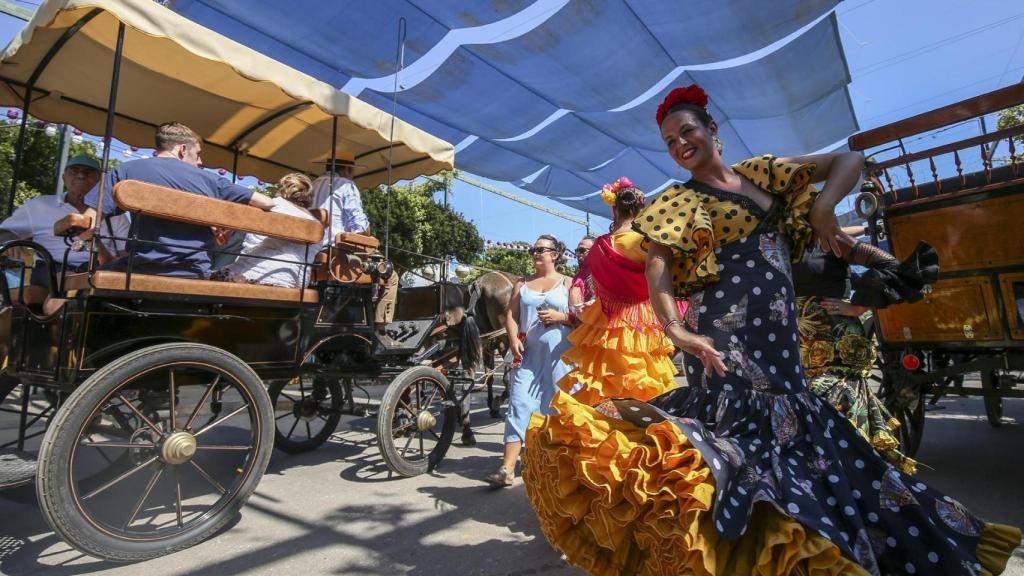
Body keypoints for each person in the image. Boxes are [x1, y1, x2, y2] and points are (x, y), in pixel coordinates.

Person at [523, 84, 1019, 575]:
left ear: (713, 130)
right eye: (670, 141)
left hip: (781, 349)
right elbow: (658, 263)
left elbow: (850, 161)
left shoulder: (761, 174)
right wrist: (676, 330)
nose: (680, 145)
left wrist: (836, 222)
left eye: (687, 131)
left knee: (805, 452)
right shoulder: (678, 200)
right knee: (734, 453)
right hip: (723, 342)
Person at [793, 225, 938, 476]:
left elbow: (890, 265)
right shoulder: (776, 243)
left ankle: (856, 490)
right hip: (796, 349)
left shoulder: (831, 239)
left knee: (833, 420)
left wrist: (857, 307)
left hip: (837, 348)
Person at [78, 122, 274, 278]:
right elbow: (267, 202)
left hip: (138, 271)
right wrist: (227, 223)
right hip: (194, 272)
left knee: (80, 279)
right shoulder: (213, 181)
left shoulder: (126, 170)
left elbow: (88, 224)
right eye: (197, 154)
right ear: (182, 149)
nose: (200, 162)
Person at [558, 177, 678, 405]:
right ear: (642, 209)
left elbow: (585, 283)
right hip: (645, 325)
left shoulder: (599, 246)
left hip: (606, 324)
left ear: (614, 210)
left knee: (604, 390)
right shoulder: (651, 242)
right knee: (646, 386)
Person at [484, 234, 573, 487]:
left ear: (554, 254)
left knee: (555, 408)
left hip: (561, 357)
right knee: (519, 405)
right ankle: (507, 469)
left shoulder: (568, 283)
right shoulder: (522, 284)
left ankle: (555, 466)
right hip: (528, 356)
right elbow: (512, 315)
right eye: (533, 249)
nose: (535, 253)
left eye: (541, 249)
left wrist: (560, 316)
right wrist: (513, 339)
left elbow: (582, 316)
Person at [0, 154, 129, 285]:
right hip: (50, 269)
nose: (81, 175)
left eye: (88, 172)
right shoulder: (39, 205)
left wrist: (96, 244)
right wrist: (11, 241)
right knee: (64, 282)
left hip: (97, 271)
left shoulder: (116, 215)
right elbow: (4, 232)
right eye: (74, 170)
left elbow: (126, 257)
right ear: (64, 177)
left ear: (100, 181)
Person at [210, 173, 318, 288]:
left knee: (209, 274)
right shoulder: (316, 223)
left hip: (254, 277)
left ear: (283, 189)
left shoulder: (273, 205)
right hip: (296, 284)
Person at [311, 152, 369, 241]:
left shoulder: (312, 184)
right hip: (332, 245)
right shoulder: (346, 184)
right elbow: (357, 220)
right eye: (352, 171)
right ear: (346, 170)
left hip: (309, 243)